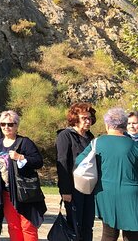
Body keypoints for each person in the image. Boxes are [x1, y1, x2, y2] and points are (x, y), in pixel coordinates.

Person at [76, 108, 138, 241]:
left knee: (109, 234)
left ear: (107, 124)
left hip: (105, 193)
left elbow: (79, 162)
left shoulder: (97, 143)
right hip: (131, 195)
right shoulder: (134, 145)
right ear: (124, 124)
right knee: (132, 234)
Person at [0, 110, 46, 241]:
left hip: (23, 193)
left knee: (27, 226)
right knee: (13, 226)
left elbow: (38, 162)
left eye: (10, 124)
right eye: (3, 124)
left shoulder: (24, 142)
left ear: (16, 125)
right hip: (6, 193)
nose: (6, 127)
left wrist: (20, 157)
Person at [55, 102, 96, 241]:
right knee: (75, 225)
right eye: (84, 117)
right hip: (73, 189)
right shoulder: (65, 135)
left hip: (89, 188)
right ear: (75, 118)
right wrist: (65, 190)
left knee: (88, 225)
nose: (88, 121)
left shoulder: (90, 137)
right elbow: (62, 164)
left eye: (90, 118)